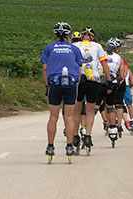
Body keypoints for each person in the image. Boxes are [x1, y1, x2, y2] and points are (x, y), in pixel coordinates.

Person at [41, 22, 83, 160]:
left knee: (53, 116)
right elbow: (79, 69)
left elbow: (45, 68)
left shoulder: (49, 48)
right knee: (69, 116)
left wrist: (47, 85)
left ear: (55, 34)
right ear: (68, 35)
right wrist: (76, 83)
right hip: (70, 83)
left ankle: (50, 146)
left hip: (55, 83)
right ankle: (70, 145)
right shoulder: (74, 49)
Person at [72, 26, 111, 152]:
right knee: (90, 110)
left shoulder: (75, 45)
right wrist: (109, 80)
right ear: (92, 37)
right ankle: (88, 135)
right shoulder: (97, 46)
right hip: (93, 81)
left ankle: (75, 136)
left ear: (82, 36)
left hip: (78, 81)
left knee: (77, 110)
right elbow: (104, 63)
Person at [104, 38, 128, 144]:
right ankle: (118, 126)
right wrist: (118, 81)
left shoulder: (102, 55)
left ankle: (109, 125)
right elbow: (123, 74)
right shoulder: (120, 58)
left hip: (105, 82)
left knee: (105, 106)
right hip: (118, 82)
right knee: (118, 104)